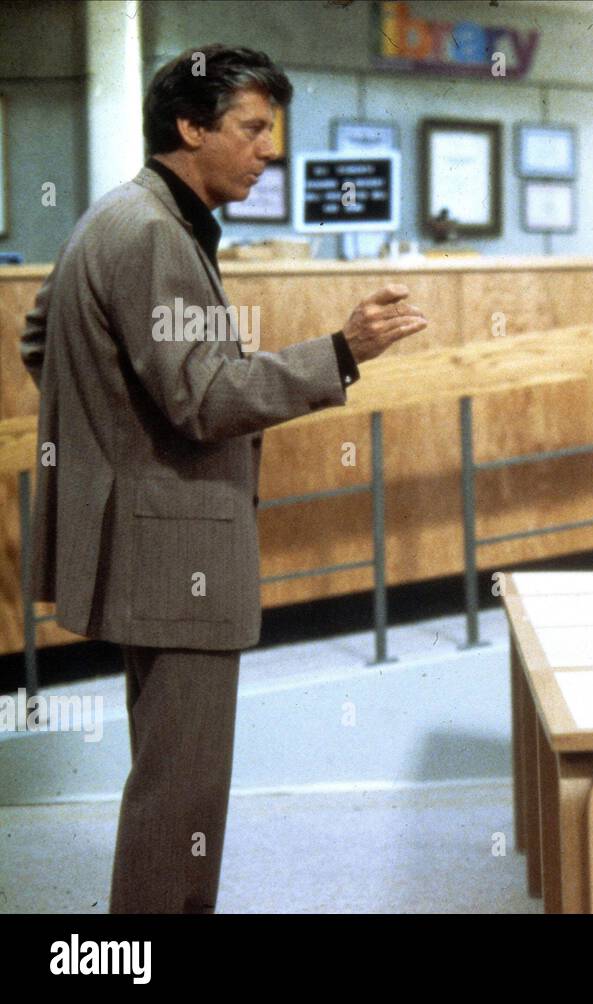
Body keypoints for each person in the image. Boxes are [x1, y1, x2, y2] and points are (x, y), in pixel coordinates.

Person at [19, 45, 427, 913]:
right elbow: (203, 399)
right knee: (182, 801)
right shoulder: (155, 233)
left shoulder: (117, 216)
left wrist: (110, 441)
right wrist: (342, 351)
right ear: (190, 126)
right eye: (250, 129)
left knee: (168, 786)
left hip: (148, 547)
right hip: (177, 558)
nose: (267, 150)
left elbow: (39, 338)